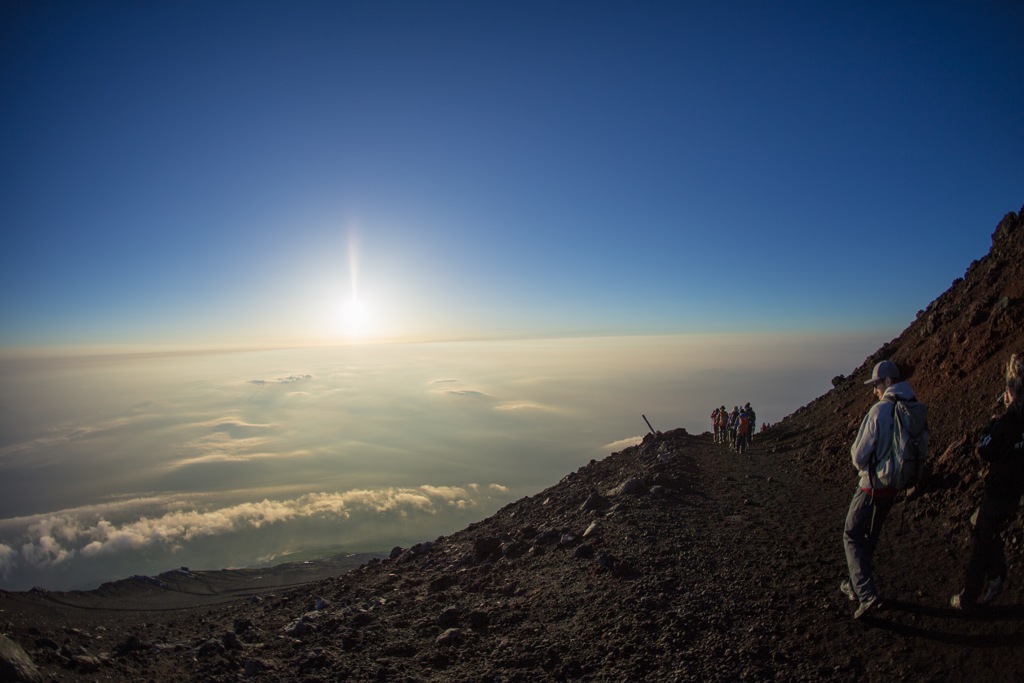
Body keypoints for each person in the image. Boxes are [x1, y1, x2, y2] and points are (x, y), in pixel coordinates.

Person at [840, 360, 919, 619]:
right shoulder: (913, 405)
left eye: (876, 384)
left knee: (851, 534)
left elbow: (858, 457)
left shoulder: (880, 410)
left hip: (872, 486)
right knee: (869, 538)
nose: (874, 390)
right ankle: (854, 584)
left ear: (887, 382)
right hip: (895, 486)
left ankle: (866, 594)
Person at [950, 352, 1024, 609]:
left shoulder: (1007, 422)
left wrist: (992, 425)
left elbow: (985, 450)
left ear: (1011, 390)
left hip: (1000, 489)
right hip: (1015, 490)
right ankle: (997, 575)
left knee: (982, 536)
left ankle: (969, 597)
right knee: (985, 529)